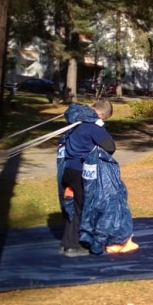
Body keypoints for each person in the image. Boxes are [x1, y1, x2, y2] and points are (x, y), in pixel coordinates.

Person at [60, 99, 116, 256]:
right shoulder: (92, 127)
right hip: (81, 172)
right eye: (104, 119)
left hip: (68, 170)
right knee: (83, 208)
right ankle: (75, 246)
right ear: (101, 114)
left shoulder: (75, 122)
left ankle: (66, 242)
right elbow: (110, 147)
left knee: (73, 207)